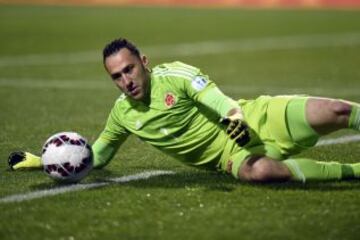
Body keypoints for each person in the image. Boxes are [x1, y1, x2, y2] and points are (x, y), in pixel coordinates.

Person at [8, 38, 360, 183]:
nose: (125, 80)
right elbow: (97, 156)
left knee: (338, 110)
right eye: (116, 76)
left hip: (255, 117)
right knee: (264, 172)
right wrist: (46, 161)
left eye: (129, 69)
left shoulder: (175, 75)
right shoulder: (123, 115)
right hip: (228, 157)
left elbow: (219, 101)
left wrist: (235, 117)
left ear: (144, 62)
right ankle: (354, 171)